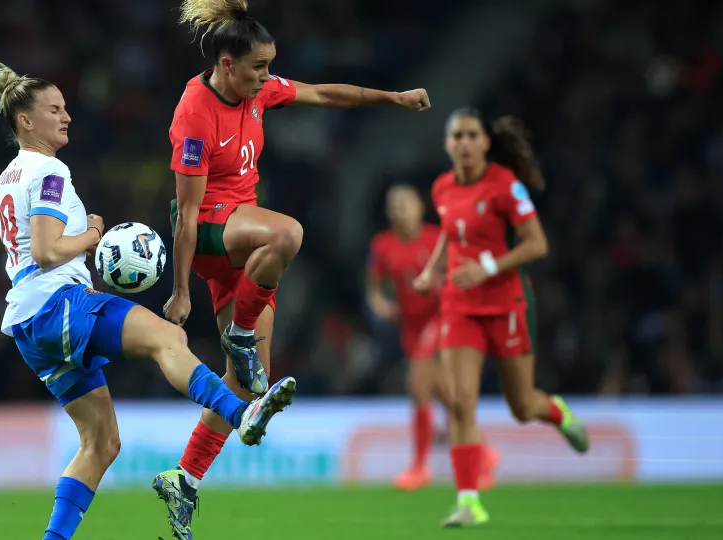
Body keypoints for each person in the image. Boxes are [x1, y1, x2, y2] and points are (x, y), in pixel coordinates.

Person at [0, 59, 296, 540]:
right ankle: (242, 414)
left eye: (66, 107)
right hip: (58, 303)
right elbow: (47, 249)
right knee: (167, 336)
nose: (66, 115)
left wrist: (52, 239)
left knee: (101, 442)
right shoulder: (50, 171)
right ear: (25, 121)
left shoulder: (8, 177)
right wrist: (92, 232)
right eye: (55, 108)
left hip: (28, 327)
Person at [153, 0, 431, 537]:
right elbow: (186, 212)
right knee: (289, 233)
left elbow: (325, 93)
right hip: (210, 230)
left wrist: (392, 98)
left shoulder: (258, 92)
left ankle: (184, 479)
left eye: (268, 66)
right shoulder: (194, 111)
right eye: (258, 67)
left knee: (246, 382)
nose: (266, 76)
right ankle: (238, 330)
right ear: (227, 63)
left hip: (243, 242)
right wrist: (181, 290)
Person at [413, 108, 590, 527]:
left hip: (505, 304)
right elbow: (448, 231)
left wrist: (487, 268)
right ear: (447, 144)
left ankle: (557, 412)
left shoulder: (505, 187)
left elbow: (537, 244)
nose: (464, 143)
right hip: (459, 305)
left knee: (522, 406)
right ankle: (469, 501)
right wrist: (431, 270)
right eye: (456, 136)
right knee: (459, 403)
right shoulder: (442, 188)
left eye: (472, 135)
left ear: (486, 142)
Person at [367, 184, 499, 492]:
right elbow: (374, 288)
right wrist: (381, 306)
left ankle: (419, 466)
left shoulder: (435, 240)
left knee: (417, 386)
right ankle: (485, 456)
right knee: (447, 396)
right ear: (388, 212)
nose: (400, 209)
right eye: (394, 204)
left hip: (441, 319)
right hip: (409, 327)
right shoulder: (382, 245)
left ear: (420, 208)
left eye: (406, 203)